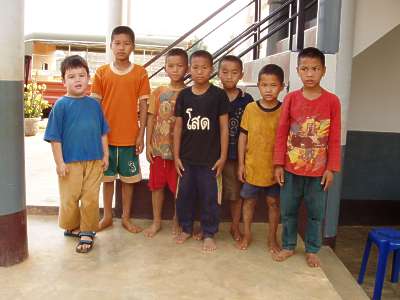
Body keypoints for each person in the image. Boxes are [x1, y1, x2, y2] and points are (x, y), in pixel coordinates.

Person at [272, 47, 341, 267]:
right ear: (297, 71)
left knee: (315, 213)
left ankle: (312, 249)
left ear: (324, 71)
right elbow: (281, 132)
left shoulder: (332, 101)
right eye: (304, 69)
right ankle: (288, 245)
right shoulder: (291, 98)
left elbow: (334, 137)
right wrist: (278, 164)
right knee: (288, 211)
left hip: (318, 173)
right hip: (291, 169)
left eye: (315, 69)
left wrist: (331, 168)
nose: (309, 74)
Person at [44, 55, 109, 253]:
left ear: (88, 78)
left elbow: (103, 132)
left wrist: (105, 155)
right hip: (70, 162)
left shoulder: (94, 105)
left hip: (94, 160)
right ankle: (72, 226)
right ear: (63, 81)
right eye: (71, 76)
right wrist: (59, 162)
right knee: (69, 198)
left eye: (82, 75)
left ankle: (87, 231)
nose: (77, 80)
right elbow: (55, 138)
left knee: (90, 197)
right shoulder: (60, 106)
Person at [91, 26, 150, 233]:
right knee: (107, 180)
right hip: (106, 140)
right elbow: (95, 107)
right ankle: (107, 216)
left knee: (128, 181)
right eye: (117, 43)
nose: (121, 47)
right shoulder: (101, 73)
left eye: (126, 43)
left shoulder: (140, 73)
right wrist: (97, 136)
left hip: (129, 139)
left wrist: (141, 134)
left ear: (133, 46)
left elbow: (144, 106)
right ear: (111, 46)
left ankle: (125, 217)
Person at [173, 50, 229, 252]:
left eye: (204, 67)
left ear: (212, 70)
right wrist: (176, 156)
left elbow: (224, 128)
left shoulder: (218, 95)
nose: (199, 72)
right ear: (189, 70)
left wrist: (222, 156)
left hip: (210, 160)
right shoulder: (184, 95)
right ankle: (186, 228)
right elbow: (178, 127)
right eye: (195, 67)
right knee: (185, 195)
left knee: (209, 198)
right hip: (187, 159)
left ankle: (209, 232)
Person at [237, 64, 284, 253]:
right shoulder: (250, 108)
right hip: (252, 166)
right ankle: (247, 235)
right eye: (264, 85)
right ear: (258, 85)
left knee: (273, 203)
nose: (268, 89)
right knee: (249, 202)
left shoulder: (284, 110)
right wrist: (241, 164)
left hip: (274, 169)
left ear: (281, 86)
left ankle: (272, 239)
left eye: (273, 85)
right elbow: (243, 137)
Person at [143, 48, 188, 238]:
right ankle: (156, 221)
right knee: (157, 186)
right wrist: (148, 144)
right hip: (159, 150)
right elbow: (151, 119)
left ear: (187, 69)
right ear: (165, 68)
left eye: (179, 66)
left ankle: (178, 220)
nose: (175, 70)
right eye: (171, 66)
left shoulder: (190, 93)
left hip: (181, 153)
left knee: (179, 189)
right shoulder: (159, 92)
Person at [217, 55, 253, 241]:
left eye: (234, 73)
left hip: (236, 156)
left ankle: (234, 226)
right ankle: (208, 227)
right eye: (225, 72)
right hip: (213, 154)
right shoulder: (212, 96)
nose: (229, 76)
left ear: (241, 75)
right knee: (211, 192)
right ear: (218, 73)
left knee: (235, 194)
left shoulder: (247, 100)